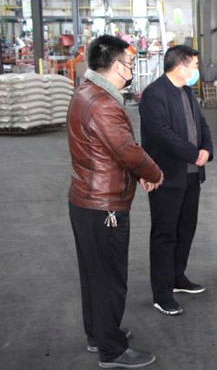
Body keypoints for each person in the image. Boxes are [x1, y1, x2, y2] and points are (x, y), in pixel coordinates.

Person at [67, 35, 163, 368]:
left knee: (94, 274)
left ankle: (98, 334)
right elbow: (126, 151)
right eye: (129, 63)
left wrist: (137, 174)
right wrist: (153, 172)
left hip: (86, 200)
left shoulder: (85, 92)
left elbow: (110, 151)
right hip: (104, 205)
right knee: (110, 277)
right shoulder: (103, 104)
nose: (131, 69)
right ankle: (111, 349)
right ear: (116, 66)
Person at [139, 45, 213, 316]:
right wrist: (193, 153)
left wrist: (206, 150)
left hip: (191, 175)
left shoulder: (187, 92)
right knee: (165, 234)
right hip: (166, 177)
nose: (197, 70)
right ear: (181, 67)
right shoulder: (154, 94)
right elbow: (161, 134)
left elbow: (202, 125)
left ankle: (177, 277)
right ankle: (162, 293)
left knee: (185, 229)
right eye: (194, 66)